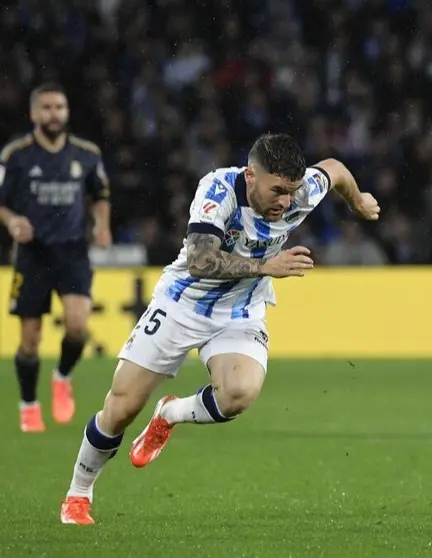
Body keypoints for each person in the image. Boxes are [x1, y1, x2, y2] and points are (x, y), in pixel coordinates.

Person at [58, 133, 380, 525]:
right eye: (276, 190)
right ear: (250, 176)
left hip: (239, 310)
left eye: (291, 192)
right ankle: (79, 492)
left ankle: (171, 414)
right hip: (182, 304)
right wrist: (266, 266)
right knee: (121, 407)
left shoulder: (301, 192)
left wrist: (358, 200)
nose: (284, 201)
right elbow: (200, 260)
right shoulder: (217, 189)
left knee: (240, 393)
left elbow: (337, 170)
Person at [0, 82, 112, 433]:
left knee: (78, 325)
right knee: (30, 340)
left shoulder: (86, 154)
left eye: (59, 107)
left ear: (67, 112)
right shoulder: (15, 155)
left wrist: (103, 226)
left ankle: (62, 376)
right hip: (32, 256)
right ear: (34, 113)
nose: (54, 114)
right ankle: (29, 404)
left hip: (73, 252)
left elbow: (101, 194)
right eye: (46, 108)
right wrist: (12, 220)